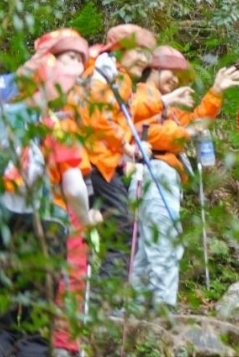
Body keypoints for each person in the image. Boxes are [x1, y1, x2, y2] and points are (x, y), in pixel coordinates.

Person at [0, 31, 101, 357]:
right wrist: (87, 218)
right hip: (45, 225)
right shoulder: (55, 126)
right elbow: (73, 187)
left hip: (0, 222)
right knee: (38, 324)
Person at [127, 47, 239, 309]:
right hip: (153, 171)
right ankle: (163, 312)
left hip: (159, 175)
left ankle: (133, 311)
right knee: (165, 243)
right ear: (153, 69)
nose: (175, 80)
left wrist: (216, 92)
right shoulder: (142, 97)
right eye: (171, 73)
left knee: (150, 247)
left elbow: (195, 123)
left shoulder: (164, 105)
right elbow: (147, 133)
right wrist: (184, 133)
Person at [74, 23, 158, 290]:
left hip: (99, 164)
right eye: (139, 52)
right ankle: (102, 302)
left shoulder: (111, 74)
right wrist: (126, 145)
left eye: (148, 54)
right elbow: (95, 116)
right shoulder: (109, 75)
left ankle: (97, 300)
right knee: (122, 232)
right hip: (98, 164)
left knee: (111, 231)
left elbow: (123, 114)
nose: (144, 60)